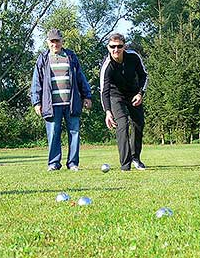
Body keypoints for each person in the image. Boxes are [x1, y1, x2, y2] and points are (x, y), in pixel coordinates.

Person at [31, 29, 92, 171]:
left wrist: (87, 96)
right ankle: (53, 163)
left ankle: (73, 164)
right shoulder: (43, 58)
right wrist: (36, 102)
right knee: (53, 135)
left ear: (62, 41)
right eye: (52, 41)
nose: (55, 44)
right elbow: (36, 82)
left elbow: (80, 77)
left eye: (57, 41)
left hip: (71, 103)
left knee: (74, 133)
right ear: (48, 42)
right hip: (51, 105)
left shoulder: (71, 57)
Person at [100, 33, 148, 171]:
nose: (116, 50)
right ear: (108, 47)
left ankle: (136, 158)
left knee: (138, 123)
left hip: (133, 93)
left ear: (124, 46)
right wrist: (107, 112)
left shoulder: (133, 57)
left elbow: (144, 76)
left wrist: (140, 94)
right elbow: (104, 90)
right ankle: (125, 164)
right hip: (116, 96)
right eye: (112, 47)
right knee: (122, 123)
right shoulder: (107, 66)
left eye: (119, 46)